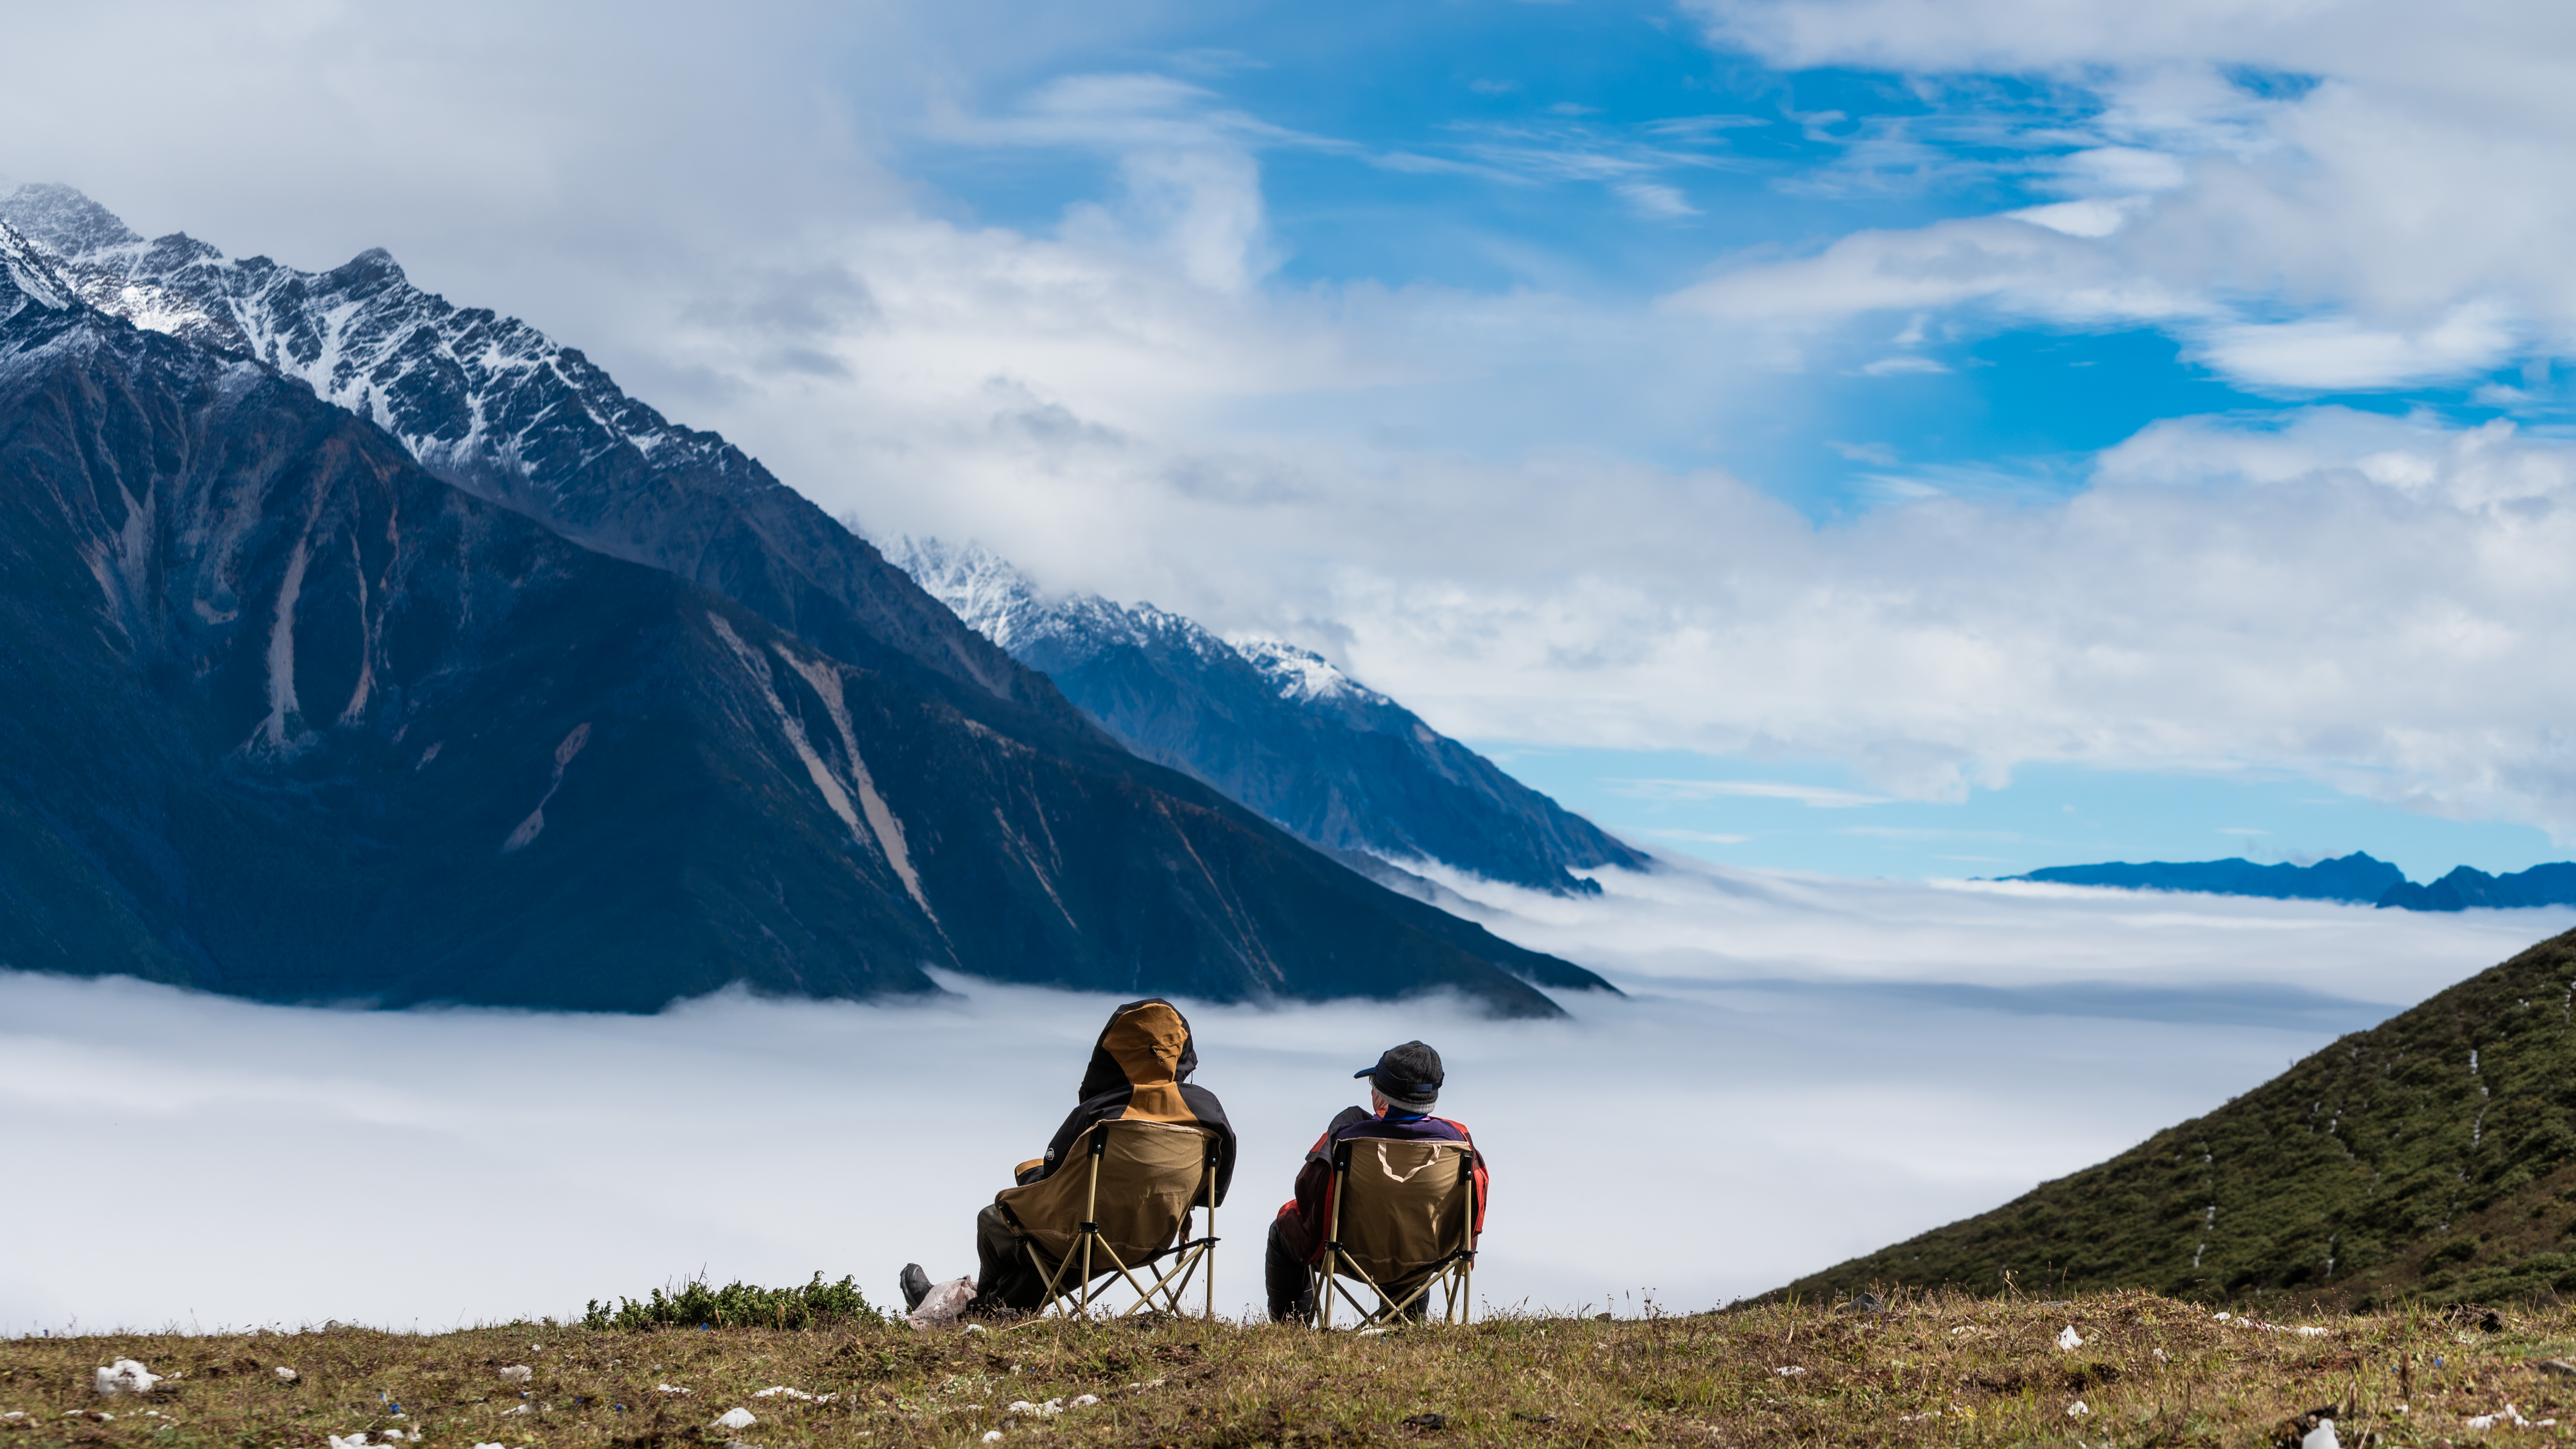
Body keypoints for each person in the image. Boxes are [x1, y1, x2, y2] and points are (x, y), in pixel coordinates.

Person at [900, 997, 1236, 1317]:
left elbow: (1054, 1176)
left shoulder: (1099, 1113)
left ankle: (973, 1310)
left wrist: (1028, 1181)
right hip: (1154, 1240)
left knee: (994, 1221)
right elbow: (1212, 1193)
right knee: (1048, 1258)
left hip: (1087, 1238)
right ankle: (984, 1309)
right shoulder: (1208, 1113)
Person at [1265, 1039, 1488, 1323]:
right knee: (1411, 1243)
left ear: (1382, 1096)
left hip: (1350, 1254)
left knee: (1281, 1230)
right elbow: (1475, 1204)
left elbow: (1310, 1194)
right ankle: (1402, 1329)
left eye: (1373, 1083)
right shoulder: (1460, 1143)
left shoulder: (1346, 1137)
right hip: (1426, 1259)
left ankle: (1290, 1329)